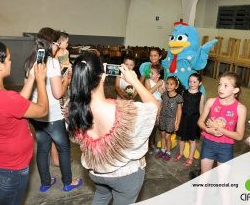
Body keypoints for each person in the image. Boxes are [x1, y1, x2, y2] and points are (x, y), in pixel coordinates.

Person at [68, 51, 159, 205]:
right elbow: (154, 108)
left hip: (96, 171)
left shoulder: (73, 108)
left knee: (102, 195)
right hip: (124, 177)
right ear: (103, 77)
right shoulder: (124, 111)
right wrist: (135, 81)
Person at [0, 40, 48, 205]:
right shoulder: (6, 98)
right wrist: (41, 81)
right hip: (12, 167)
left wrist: (32, 79)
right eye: (9, 58)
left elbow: (16, 104)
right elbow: (42, 110)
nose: (11, 62)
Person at [25, 28, 82, 192]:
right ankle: (67, 182)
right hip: (53, 115)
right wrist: (67, 80)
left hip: (37, 114)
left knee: (43, 149)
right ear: (51, 43)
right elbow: (58, 93)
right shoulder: (52, 62)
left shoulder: (30, 61)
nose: (58, 47)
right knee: (64, 148)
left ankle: (45, 183)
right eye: (57, 43)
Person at [197, 72, 246, 174]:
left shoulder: (241, 108)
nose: (220, 88)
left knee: (222, 182)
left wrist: (219, 129)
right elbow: (200, 122)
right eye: (219, 84)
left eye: (225, 85)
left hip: (226, 147)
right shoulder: (211, 102)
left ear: (235, 90)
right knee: (203, 176)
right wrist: (207, 129)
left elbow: (239, 136)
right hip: (208, 144)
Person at [175, 73, 205, 166]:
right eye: (190, 81)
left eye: (194, 82)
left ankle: (190, 157)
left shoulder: (201, 95)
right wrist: (177, 120)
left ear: (199, 83)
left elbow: (201, 111)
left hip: (194, 121)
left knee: (192, 140)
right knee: (182, 138)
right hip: (184, 118)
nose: (192, 84)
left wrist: (201, 124)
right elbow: (180, 108)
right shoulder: (184, 92)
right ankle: (180, 153)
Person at [51, 31, 72, 167]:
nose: (67, 44)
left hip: (66, 80)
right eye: (66, 42)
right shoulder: (57, 54)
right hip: (60, 80)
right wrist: (65, 68)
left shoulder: (67, 52)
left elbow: (68, 63)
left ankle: (65, 121)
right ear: (60, 42)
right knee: (60, 105)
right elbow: (57, 68)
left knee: (67, 103)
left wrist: (69, 68)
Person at [156, 76, 183, 161]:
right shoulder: (164, 95)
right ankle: (162, 150)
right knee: (163, 136)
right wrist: (158, 116)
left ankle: (168, 152)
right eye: (167, 83)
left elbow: (179, 111)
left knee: (168, 137)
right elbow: (161, 105)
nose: (168, 86)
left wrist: (177, 122)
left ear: (176, 86)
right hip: (162, 118)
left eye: (171, 84)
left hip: (171, 120)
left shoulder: (178, 97)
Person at [145, 64, 165, 154]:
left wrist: (160, 85)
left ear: (158, 75)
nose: (150, 74)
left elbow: (162, 93)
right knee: (149, 126)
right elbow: (149, 92)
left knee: (155, 126)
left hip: (158, 107)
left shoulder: (162, 82)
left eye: (152, 73)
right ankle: (147, 145)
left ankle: (152, 143)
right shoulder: (147, 81)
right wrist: (157, 85)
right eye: (150, 72)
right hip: (150, 106)